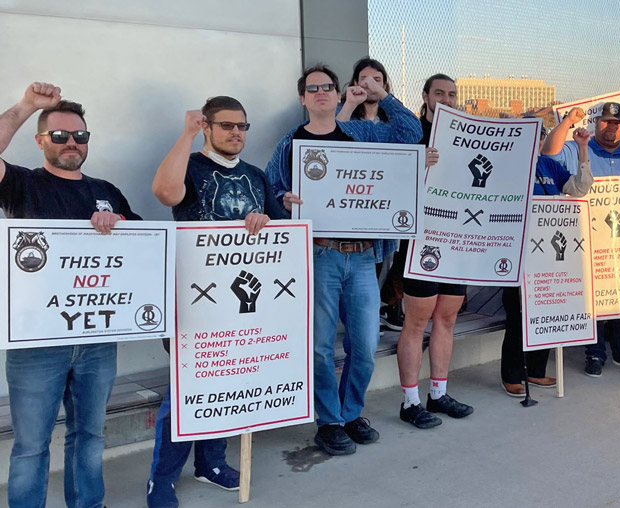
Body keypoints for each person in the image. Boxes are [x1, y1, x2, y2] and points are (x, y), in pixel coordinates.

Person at [266, 64, 421, 454]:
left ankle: (351, 412)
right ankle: (330, 420)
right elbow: (271, 188)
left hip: (364, 255)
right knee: (320, 346)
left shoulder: (363, 132)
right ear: (302, 98)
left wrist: (380, 94)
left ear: (340, 94)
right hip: (321, 254)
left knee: (365, 343)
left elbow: (411, 134)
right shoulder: (292, 142)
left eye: (328, 87)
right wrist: (284, 203)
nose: (321, 92)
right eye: (312, 88)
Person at [0, 82, 141, 508]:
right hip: (37, 342)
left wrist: (118, 222)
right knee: (31, 445)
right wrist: (26, 105)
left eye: (80, 135)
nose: (71, 143)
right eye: (60, 136)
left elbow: (141, 249)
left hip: (97, 340)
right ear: (41, 140)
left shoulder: (107, 190)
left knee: (90, 435)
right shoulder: (23, 185)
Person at [149, 96, 285, 508]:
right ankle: (162, 478)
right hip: (194, 301)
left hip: (243, 301)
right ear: (206, 127)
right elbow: (165, 194)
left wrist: (267, 222)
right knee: (186, 394)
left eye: (242, 126)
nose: (236, 133)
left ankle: (211, 463)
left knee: (230, 384)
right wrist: (186, 135)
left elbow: (282, 237)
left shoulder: (257, 176)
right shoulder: (188, 165)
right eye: (226, 125)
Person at [543, 103, 620, 378]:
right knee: (592, 298)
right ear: (597, 124)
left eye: (616, 123)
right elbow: (549, 152)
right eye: (606, 122)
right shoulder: (576, 149)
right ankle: (594, 353)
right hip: (587, 239)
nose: (611, 127)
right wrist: (569, 122)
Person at [397, 74, 475, 428]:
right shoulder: (411, 132)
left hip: (457, 240)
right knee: (417, 322)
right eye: (439, 93)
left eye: (452, 94)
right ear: (426, 96)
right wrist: (415, 162)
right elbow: (388, 178)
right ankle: (409, 401)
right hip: (421, 241)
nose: (446, 99)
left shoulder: (468, 135)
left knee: (447, 318)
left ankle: (438, 394)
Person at [501, 124, 593, 396]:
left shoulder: (550, 165)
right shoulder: (508, 166)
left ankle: (537, 371)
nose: (536, 141)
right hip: (519, 253)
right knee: (518, 316)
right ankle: (512, 375)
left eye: (539, 135)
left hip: (549, 254)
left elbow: (579, 188)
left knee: (546, 309)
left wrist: (583, 149)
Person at [336, 57, 405, 331]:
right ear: (354, 84)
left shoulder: (390, 123)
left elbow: (412, 134)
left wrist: (384, 98)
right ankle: (360, 318)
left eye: (377, 79)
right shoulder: (343, 114)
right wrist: (350, 103)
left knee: (383, 260)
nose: (370, 84)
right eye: (364, 79)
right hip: (350, 205)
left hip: (383, 206)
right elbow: (334, 138)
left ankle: (377, 310)